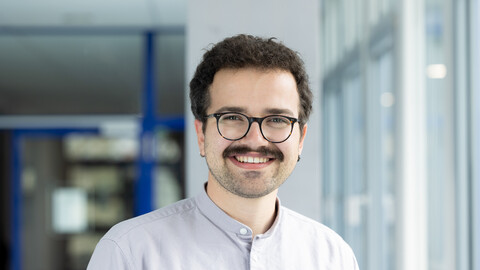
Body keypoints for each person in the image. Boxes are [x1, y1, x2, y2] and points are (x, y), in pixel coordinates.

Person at [87, 34, 359, 269]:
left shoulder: (333, 258)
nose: (255, 139)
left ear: (300, 138)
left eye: (277, 120)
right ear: (201, 134)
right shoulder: (130, 253)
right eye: (232, 117)